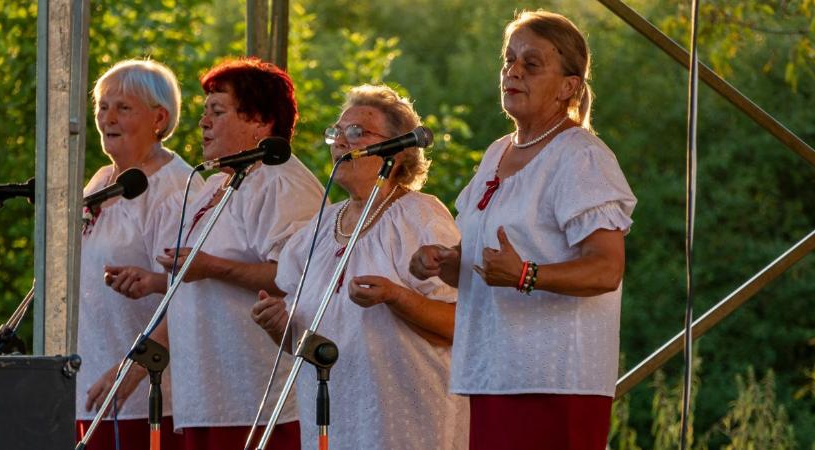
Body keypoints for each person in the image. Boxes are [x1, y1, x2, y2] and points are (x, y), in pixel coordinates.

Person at [410, 10, 637, 450]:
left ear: (570, 86)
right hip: (492, 372)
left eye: (531, 64)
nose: (512, 71)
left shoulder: (580, 157)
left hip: (555, 378)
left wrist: (526, 275)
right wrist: (446, 263)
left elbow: (607, 269)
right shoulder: (497, 152)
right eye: (509, 61)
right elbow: (488, 267)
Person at [105, 57, 323, 450]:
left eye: (217, 112)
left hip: (255, 399)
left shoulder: (280, 180)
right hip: (204, 397)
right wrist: (158, 282)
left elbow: (297, 276)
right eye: (204, 112)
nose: (202, 123)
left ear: (259, 119)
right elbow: (195, 280)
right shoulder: (215, 185)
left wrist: (209, 266)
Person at [251, 84, 469, 450]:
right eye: (336, 132)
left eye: (357, 132)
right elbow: (307, 344)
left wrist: (396, 297)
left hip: (408, 424)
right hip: (332, 423)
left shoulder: (420, 217)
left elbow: (460, 325)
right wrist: (279, 326)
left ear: (397, 152)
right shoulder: (317, 230)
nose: (340, 141)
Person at [76, 59, 201, 449]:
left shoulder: (175, 188)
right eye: (102, 106)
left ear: (159, 118)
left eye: (123, 108)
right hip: (88, 384)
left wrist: (130, 368)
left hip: (148, 394)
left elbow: (189, 293)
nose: (107, 118)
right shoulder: (101, 180)